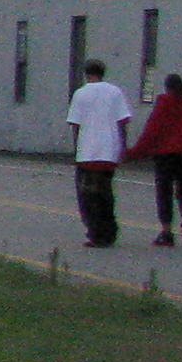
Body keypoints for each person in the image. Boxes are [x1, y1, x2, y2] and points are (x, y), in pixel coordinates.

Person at [124, 69, 182, 248]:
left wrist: (133, 154)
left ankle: (166, 232)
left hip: (165, 155)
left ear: (167, 87)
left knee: (164, 192)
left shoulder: (163, 104)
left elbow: (152, 131)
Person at [66, 57, 134, 248]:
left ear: (86, 73)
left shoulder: (80, 94)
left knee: (87, 195)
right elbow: (122, 122)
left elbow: (76, 126)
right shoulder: (115, 92)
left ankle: (95, 232)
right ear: (103, 72)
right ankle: (109, 231)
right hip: (109, 151)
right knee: (105, 192)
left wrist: (76, 150)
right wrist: (123, 147)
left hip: (87, 153)